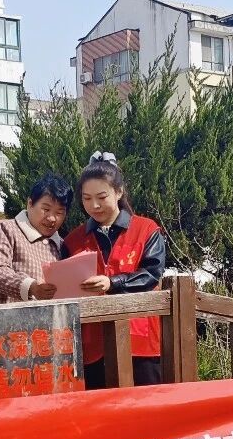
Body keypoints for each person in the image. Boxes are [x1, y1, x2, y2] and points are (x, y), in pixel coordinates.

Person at [63, 152, 167, 389]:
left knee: (146, 405)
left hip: (139, 338)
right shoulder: (73, 240)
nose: (94, 205)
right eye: (87, 198)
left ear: (119, 192)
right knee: (99, 407)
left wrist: (112, 282)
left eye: (102, 197)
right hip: (92, 343)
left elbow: (152, 274)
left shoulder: (146, 229)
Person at [0, 175, 72, 304]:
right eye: (46, 209)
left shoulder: (62, 245)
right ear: (30, 203)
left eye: (59, 213)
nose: (51, 218)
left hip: (51, 317)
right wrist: (31, 287)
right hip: (8, 316)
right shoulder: (6, 229)